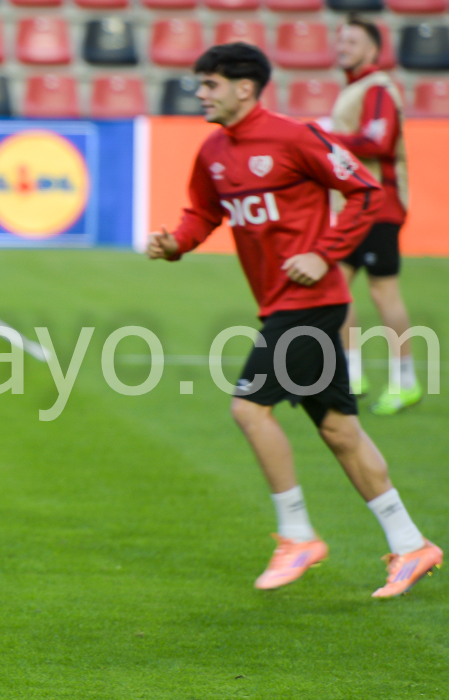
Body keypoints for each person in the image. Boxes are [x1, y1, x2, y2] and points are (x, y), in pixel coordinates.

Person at [147, 43, 440, 598]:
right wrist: (176, 242)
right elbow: (204, 211)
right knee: (339, 429)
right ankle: (410, 544)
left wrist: (324, 252)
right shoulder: (213, 149)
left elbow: (365, 191)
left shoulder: (294, 136)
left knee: (249, 408)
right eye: (200, 85)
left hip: (311, 301)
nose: (201, 94)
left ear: (244, 87)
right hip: (279, 301)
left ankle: (297, 535)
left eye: (209, 84)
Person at [328, 16, 421, 414]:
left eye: (351, 41)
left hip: (377, 205)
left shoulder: (378, 88)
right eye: (340, 40)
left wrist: (326, 138)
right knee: (335, 286)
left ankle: (406, 380)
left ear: (372, 49)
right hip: (354, 206)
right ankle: (352, 372)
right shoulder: (356, 89)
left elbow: (377, 140)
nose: (342, 46)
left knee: (384, 293)